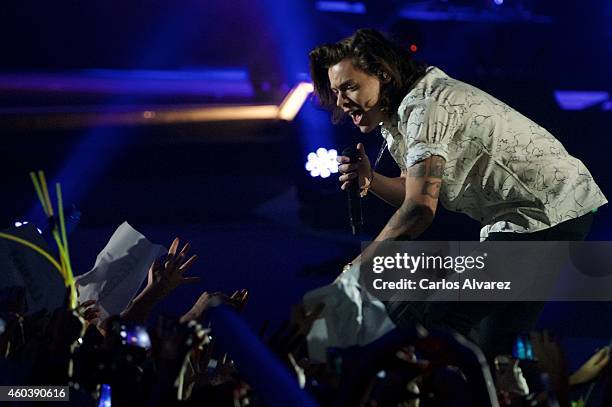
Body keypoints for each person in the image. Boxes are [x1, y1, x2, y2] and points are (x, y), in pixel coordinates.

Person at [308, 28, 608, 357]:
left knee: (428, 324)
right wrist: (373, 180)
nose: (340, 101)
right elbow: (416, 191)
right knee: (495, 347)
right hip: (552, 212)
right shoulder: (402, 114)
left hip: (541, 215)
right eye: (336, 92)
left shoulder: (425, 108)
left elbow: (419, 209)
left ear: (382, 73)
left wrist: (358, 269)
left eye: (349, 86)